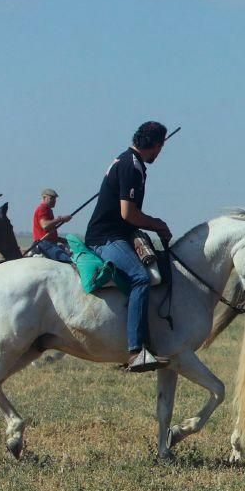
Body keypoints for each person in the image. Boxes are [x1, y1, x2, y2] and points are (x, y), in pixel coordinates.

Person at [84, 121, 173, 372]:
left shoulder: (128, 161)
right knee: (139, 278)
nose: (160, 152)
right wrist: (156, 224)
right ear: (156, 145)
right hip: (105, 238)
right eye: (161, 147)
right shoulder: (131, 166)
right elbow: (128, 214)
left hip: (118, 234)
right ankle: (135, 350)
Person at [32, 188, 73, 263]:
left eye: (55, 199)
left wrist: (66, 241)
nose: (54, 201)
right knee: (68, 261)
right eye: (51, 198)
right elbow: (44, 225)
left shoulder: (48, 210)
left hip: (49, 242)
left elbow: (49, 233)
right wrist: (61, 219)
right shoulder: (43, 208)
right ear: (44, 198)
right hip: (44, 243)